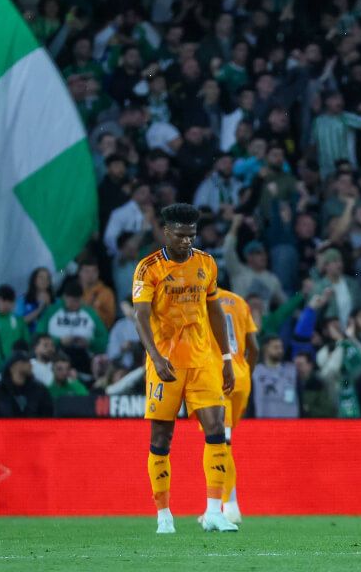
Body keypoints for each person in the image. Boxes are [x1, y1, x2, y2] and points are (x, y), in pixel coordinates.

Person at [132, 203, 238, 534]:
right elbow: (140, 315)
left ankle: (214, 512)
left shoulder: (206, 263)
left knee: (216, 428)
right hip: (165, 363)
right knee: (162, 437)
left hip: (202, 360)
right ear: (166, 233)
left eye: (191, 235)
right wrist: (155, 357)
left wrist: (226, 358)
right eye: (180, 235)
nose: (187, 241)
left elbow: (216, 311)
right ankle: (164, 514)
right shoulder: (148, 268)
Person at [202, 288, 259, 526]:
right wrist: (246, 374)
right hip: (241, 380)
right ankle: (226, 505)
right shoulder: (239, 301)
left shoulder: (200, 300)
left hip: (218, 378)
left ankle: (229, 507)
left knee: (220, 444)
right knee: (225, 442)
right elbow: (254, 348)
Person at [0, 352, 53, 417]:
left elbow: (48, 413)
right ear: (13, 367)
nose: (31, 365)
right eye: (26, 362)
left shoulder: (40, 389)